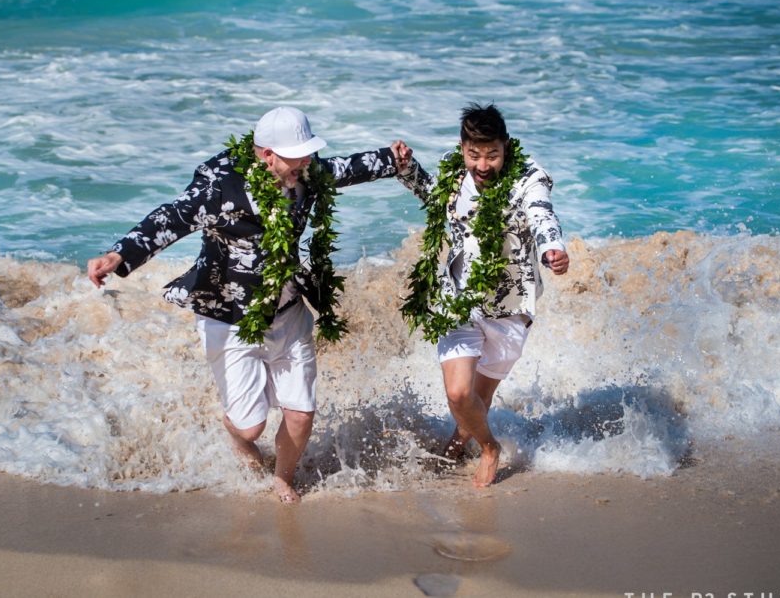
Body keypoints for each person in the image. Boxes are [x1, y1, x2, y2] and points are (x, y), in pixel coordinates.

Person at [87, 106, 408, 503]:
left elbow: (346, 168)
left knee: (301, 413)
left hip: (287, 310)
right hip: (229, 316)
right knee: (250, 427)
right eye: (297, 155)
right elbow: (169, 217)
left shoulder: (304, 171)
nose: (306, 162)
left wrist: (393, 159)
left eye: (308, 153)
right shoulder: (221, 191)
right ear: (266, 154)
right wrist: (118, 256)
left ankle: (282, 478)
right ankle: (238, 439)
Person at [395, 102, 569, 488]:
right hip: (458, 300)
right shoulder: (454, 173)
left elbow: (541, 213)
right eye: (474, 155)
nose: (483, 165)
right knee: (459, 394)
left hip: (510, 306)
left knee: (478, 397)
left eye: (492, 155)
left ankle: (457, 442)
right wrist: (407, 168)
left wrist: (551, 248)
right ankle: (490, 448)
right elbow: (430, 194)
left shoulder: (528, 177)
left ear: (506, 148)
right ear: (463, 149)